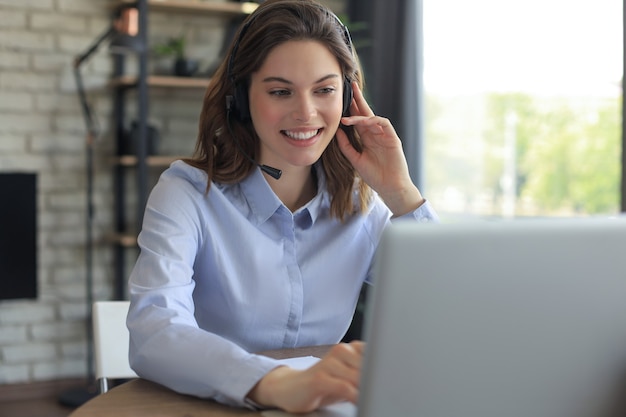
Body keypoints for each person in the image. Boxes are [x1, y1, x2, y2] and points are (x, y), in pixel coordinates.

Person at [126, 0, 438, 413]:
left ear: (347, 98)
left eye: (325, 90)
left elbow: (444, 306)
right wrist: (277, 384)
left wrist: (400, 192)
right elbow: (155, 330)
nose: (306, 112)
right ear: (239, 99)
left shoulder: (364, 203)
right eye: (280, 91)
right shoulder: (186, 193)